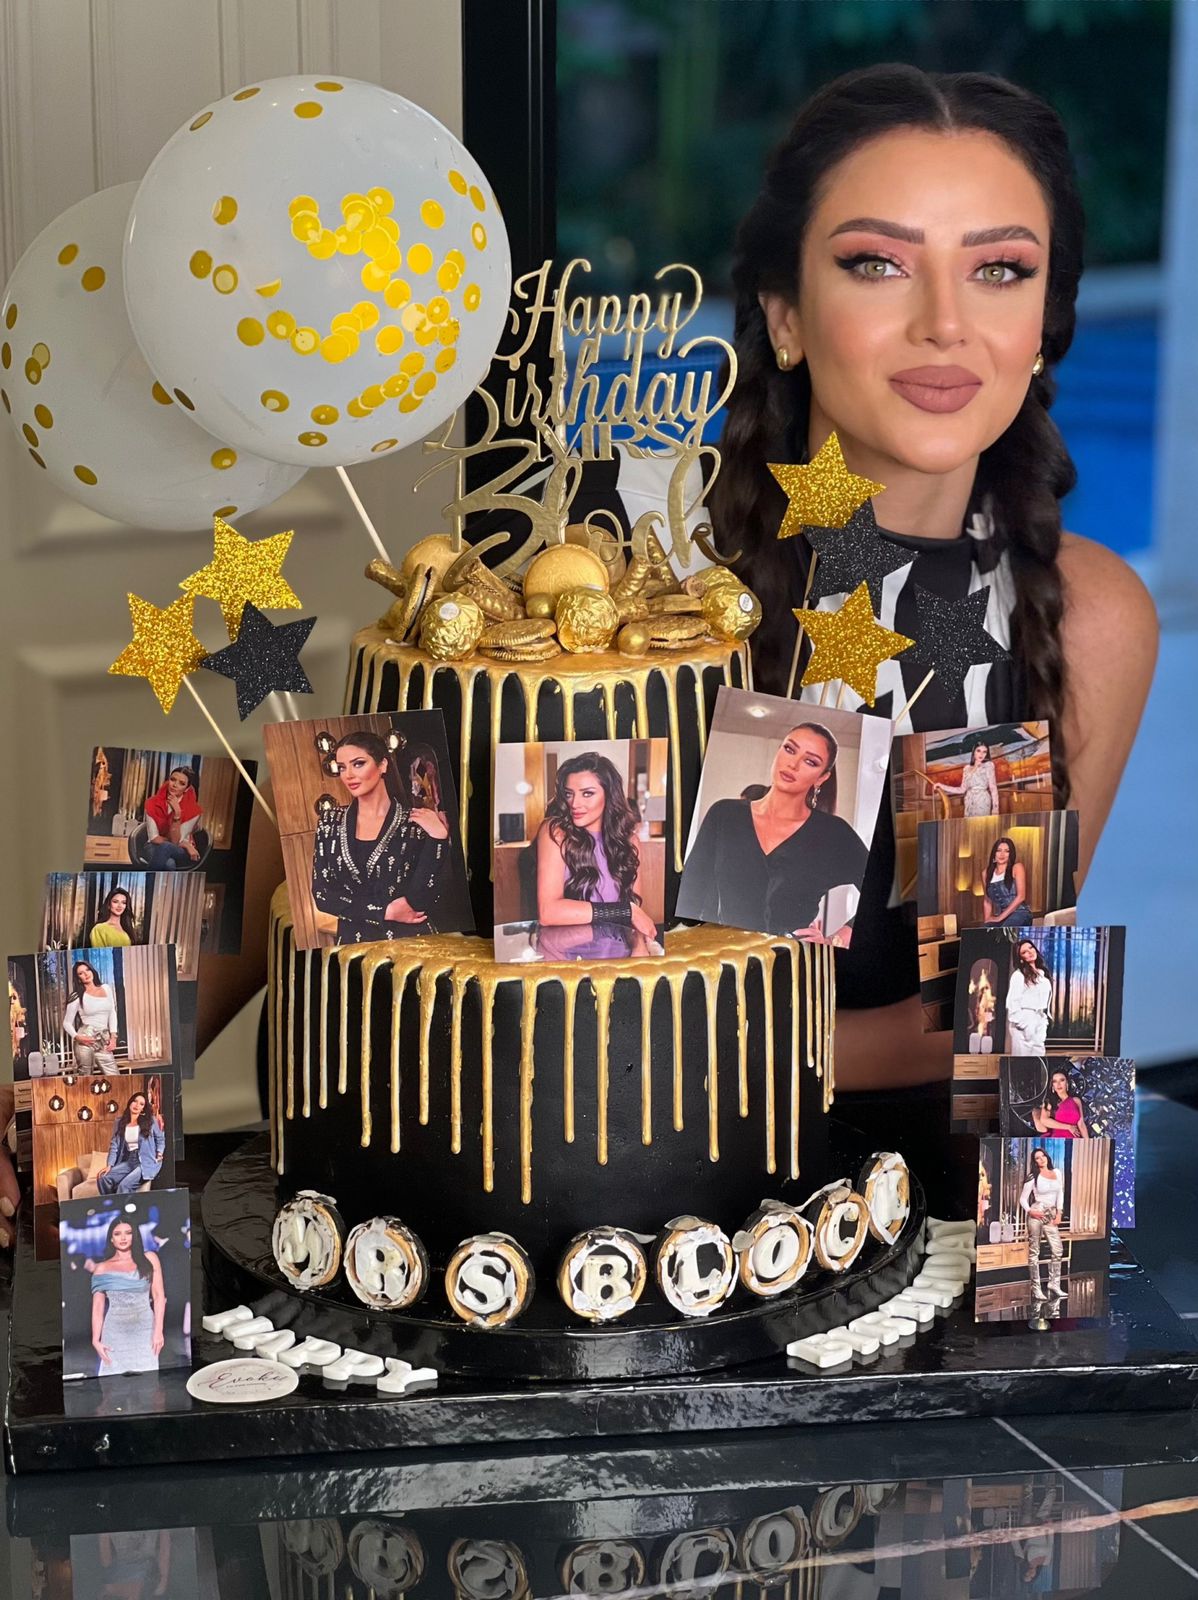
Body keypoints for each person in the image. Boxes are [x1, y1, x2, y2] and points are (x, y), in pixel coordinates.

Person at [711, 63, 1156, 1093]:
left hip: (944, 1186)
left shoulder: (1088, 614)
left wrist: (734, 1052)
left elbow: (1003, 1015)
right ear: (785, 313)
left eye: (999, 269)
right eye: (877, 263)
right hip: (639, 1171)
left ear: (1045, 321)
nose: (945, 323)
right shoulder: (649, 573)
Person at [679, 723, 867, 941]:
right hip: (727, 950)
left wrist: (836, 939)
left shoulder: (834, 834)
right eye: (789, 749)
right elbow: (690, 895)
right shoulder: (724, 814)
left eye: (810, 761)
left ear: (821, 778)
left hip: (793, 955)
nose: (793, 764)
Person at [311, 731, 452, 944]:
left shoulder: (415, 823)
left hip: (411, 945)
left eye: (358, 764)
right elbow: (322, 895)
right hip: (352, 945)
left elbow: (421, 900)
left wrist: (438, 838)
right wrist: (385, 910)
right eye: (342, 767)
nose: (348, 775)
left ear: (383, 765)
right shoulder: (330, 821)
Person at [535, 752, 657, 960]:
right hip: (566, 959)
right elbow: (548, 912)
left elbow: (635, 913)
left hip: (617, 956)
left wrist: (639, 947)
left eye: (587, 793)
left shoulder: (630, 842)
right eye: (569, 794)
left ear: (609, 795)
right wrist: (625, 911)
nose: (574, 803)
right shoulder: (555, 832)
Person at [90, 1215, 165, 1374]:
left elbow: (159, 1297)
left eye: (128, 1233)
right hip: (114, 1332)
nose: (123, 1238)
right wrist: (95, 1339)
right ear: (111, 1239)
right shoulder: (102, 1268)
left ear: (134, 1235)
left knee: (147, 1382)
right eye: (117, 1234)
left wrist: (158, 1331)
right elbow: (98, 1307)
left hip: (145, 1330)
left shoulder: (149, 1258)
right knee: (113, 1384)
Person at [96, 1092, 166, 1195]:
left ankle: (121, 1205)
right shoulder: (119, 1122)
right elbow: (114, 1145)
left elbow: (160, 1139)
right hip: (129, 1160)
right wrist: (109, 1165)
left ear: (143, 1108)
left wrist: (159, 1153)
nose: (137, 1105)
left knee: (124, 1185)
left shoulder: (151, 1121)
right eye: (135, 1101)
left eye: (141, 1104)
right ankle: (112, 1202)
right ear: (130, 1103)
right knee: (103, 1178)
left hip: (146, 1161)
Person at [1020, 1146, 1065, 1304]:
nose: (1041, 1159)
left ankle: (1054, 1284)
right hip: (1036, 1213)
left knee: (1057, 1250)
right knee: (1034, 1252)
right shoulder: (1033, 1176)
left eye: (1043, 1156)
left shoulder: (1057, 1172)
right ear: (1035, 1162)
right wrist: (1030, 1211)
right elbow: (1023, 1199)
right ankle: (1036, 1288)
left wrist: (1059, 1213)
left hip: (1051, 1214)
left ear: (1047, 1157)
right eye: (1037, 1158)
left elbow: (1060, 1193)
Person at [143, 766, 203, 870]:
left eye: (181, 783)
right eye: (173, 779)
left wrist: (177, 814)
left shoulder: (194, 810)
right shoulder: (152, 803)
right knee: (169, 864)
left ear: (187, 788)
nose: (175, 785)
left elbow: (175, 842)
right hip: (154, 845)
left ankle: (148, 879)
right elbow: (154, 838)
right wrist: (185, 844)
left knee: (166, 847)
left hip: (181, 851)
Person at [62, 959, 118, 1072]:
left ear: (92, 971)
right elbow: (66, 1023)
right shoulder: (77, 996)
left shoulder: (106, 988)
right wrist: (77, 1037)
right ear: (78, 978)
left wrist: (113, 1037)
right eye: (81, 973)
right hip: (85, 1039)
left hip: (104, 1039)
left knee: (114, 1076)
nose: (86, 974)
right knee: (85, 1077)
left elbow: (112, 1012)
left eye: (87, 970)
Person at [1007, 939, 1053, 1056]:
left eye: (1031, 948)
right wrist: (1024, 1024)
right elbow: (1013, 1002)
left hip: (1039, 1020)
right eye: (1024, 952)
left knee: (1038, 1059)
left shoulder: (1042, 975)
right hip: (1024, 1020)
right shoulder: (1019, 975)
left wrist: (1043, 1022)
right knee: (1022, 1060)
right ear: (1021, 958)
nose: (1030, 952)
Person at [935, 739, 1000, 817]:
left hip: (982, 800)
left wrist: (995, 808)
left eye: (984, 752)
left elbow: (993, 788)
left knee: (980, 824)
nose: (981, 754)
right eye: (978, 751)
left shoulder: (988, 765)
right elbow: (961, 789)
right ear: (974, 752)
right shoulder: (967, 768)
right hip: (968, 801)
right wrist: (942, 786)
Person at [982, 836, 1032, 927]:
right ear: (994, 853)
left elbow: (1021, 897)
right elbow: (987, 900)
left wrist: (1000, 918)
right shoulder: (986, 873)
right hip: (1001, 914)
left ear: (1010, 854)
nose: (1002, 854)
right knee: (984, 931)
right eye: (999, 850)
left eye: (1006, 851)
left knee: (1004, 930)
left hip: (1020, 912)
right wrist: (987, 919)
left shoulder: (1017, 868)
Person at [1034, 1067, 1089, 1139]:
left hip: (1075, 1139)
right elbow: (1044, 1120)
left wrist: (1087, 1141)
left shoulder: (1076, 1100)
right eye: (1055, 1081)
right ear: (1052, 1086)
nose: (1058, 1084)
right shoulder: (1050, 1102)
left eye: (1062, 1080)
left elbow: (1081, 1123)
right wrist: (1068, 1127)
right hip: (1058, 1139)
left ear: (1067, 1083)